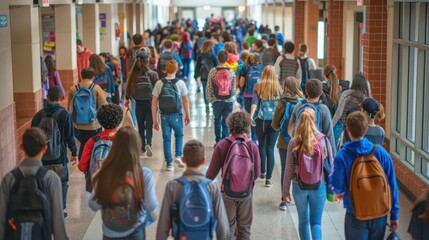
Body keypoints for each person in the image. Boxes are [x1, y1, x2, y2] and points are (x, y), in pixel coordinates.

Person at [330, 111, 399, 240]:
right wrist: (395, 214)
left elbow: (336, 184)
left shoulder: (342, 156)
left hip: (355, 212)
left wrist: (339, 192)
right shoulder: (381, 153)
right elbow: (392, 185)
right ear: (366, 129)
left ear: (347, 130)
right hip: (379, 212)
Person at [89, 126, 158, 240]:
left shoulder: (104, 173)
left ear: (114, 146)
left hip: (110, 231)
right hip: (135, 229)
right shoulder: (144, 174)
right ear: (137, 147)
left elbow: (93, 204)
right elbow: (151, 205)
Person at [0, 128, 68, 239]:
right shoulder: (51, 178)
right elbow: (57, 220)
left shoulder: (9, 179)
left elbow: (2, 218)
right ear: (45, 149)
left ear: (21, 147)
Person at [156, 140, 230, 239]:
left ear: (183, 159)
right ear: (203, 160)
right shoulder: (212, 187)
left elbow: (163, 226)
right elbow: (222, 226)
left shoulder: (172, 186)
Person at [206, 111, 261, 240]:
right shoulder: (252, 146)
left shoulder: (222, 144)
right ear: (247, 126)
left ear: (230, 125)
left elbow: (211, 174)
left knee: (228, 229)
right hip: (246, 193)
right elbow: (257, 173)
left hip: (227, 193)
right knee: (244, 229)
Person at [282, 108, 333, 240]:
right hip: (319, 184)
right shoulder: (323, 140)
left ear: (299, 122)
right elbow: (331, 166)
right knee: (316, 223)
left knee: (303, 222)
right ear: (315, 121)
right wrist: (333, 189)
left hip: (299, 185)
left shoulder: (294, 141)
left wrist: (285, 191)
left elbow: (289, 168)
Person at [31, 86, 77, 219]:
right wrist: (74, 152)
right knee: (62, 184)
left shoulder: (38, 115)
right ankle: (59, 212)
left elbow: (32, 136)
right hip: (59, 158)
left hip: (41, 158)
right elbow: (70, 136)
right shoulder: (64, 114)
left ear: (47, 98)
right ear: (61, 98)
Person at [271, 76, 304, 210]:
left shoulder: (282, 103)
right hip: (301, 142)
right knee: (301, 168)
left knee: (285, 170)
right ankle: (300, 199)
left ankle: (284, 200)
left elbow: (274, 125)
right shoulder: (302, 103)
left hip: (284, 142)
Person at [152, 60, 190, 171]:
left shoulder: (159, 83)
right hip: (177, 115)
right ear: (176, 70)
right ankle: (178, 156)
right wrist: (188, 114)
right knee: (179, 135)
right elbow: (185, 100)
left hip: (164, 115)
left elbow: (154, 102)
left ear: (165, 70)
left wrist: (154, 120)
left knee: (166, 139)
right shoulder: (180, 83)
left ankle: (169, 163)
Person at [249, 66, 282, 185]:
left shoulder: (258, 86)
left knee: (261, 146)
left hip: (261, 120)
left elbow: (254, 103)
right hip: (275, 121)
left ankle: (262, 171)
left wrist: (251, 116)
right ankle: (269, 179)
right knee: (270, 148)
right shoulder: (279, 88)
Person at [288, 79, 337, 156]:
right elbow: (329, 134)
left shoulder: (298, 105)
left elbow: (290, 127)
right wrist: (333, 156)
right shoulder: (323, 109)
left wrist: (294, 140)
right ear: (321, 93)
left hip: (300, 149)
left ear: (306, 91)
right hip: (316, 151)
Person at [67, 68, 108, 160]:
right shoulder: (96, 88)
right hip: (93, 125)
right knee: (94, 146)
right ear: (93, 77)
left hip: (78, 126)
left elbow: (69, 108)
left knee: (84, 145)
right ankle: (93, 166)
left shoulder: (73, 89)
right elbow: (104, 106)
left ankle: (84, 166)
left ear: (81, 76)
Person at [126, 50, 159, 156]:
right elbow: (157, 90)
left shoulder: (133, 74)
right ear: (148, 61)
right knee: (149, 125)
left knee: (140, 125)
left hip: (138, 103)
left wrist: (127, 99)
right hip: (150, 103)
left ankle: (142, 145)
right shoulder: (153, 74)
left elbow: (128, 88)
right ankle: (148, 143)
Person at [78, 104, 123, 174]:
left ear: (100, 121)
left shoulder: (93, 141)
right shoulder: (122, 139)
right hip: (117, 180)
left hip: (97, 180)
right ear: (119, 122)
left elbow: (82, 166)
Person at [206, 50, 237, 144]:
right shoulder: (231, 71)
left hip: (216, 100)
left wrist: (210, 99)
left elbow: (209, 87)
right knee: (226, 121)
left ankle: (218, 141)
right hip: (228, 100)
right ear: (227, 59)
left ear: (217, 58)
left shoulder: (213, 71)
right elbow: (234, 87)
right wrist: (232, 98)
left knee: (217, 120)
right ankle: (226, 141)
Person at [332, 73, 372, 140]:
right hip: (360, 128)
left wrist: (330, 126)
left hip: (345, 127)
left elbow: (338, 113)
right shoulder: (365, 97)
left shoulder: (346, 94)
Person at [239, 53, 263, 142]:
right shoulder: (262, 67)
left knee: (249, 116)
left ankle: (249, 137)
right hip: (259, 95)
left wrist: (240, 90)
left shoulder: (245, 68)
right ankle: (256, 138)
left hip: (248, 95)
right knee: (256, 116)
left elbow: (241, 83)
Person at [321, 64, 343, 145]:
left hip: (325, 123)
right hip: (338, 124)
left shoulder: (321, 87)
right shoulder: (340, 88)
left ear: (323, 74)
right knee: (334, 149)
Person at [194, 40, 218, 112]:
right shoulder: (213, 55)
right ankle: (213, 104)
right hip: (212, 76)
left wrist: (196, 75)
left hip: (204, 76)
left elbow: (197, 67)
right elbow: (216, 66)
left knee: (205, 91)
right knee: (213, 90)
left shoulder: (200, 56)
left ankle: (206, 104)